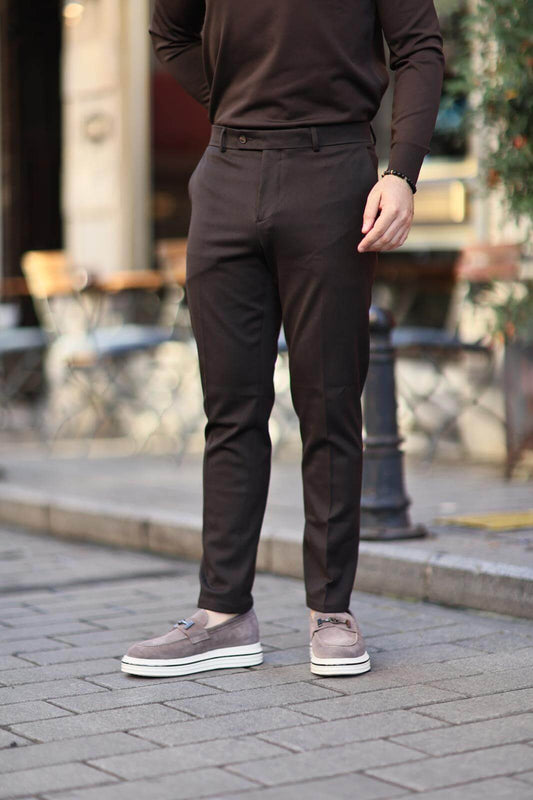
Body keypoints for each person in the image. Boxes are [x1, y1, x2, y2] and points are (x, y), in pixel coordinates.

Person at [122, 0, 445, 678]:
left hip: (332, 171)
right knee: (230, 409)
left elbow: (418, 48)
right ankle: (222, 614)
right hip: (227, 170)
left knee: (329, 404)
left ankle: (330, 611)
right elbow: (168, 30)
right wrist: (240, 103)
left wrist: (402, 171)